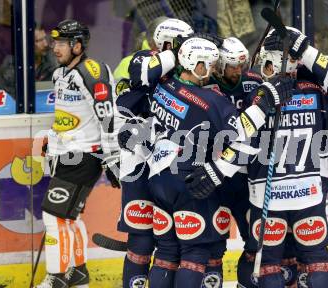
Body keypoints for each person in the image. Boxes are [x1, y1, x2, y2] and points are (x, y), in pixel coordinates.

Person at [132, 36, 293, 288]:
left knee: (165, 253)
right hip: (188, 181)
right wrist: (266, 99)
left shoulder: (163, 86)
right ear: (197, 64)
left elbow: (140, 75)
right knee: (195, 255)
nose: (214, 69)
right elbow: (240, 132)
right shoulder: (210, 102)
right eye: (210, 63)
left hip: (158, 179)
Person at [245, 26, 328, 288]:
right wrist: (304, 46)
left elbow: (237, 136)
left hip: (267, 194)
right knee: (316, 259)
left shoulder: (253, 96)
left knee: (269, 262)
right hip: (308, 192)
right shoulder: (313, 90)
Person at [35, 19, 121, 288]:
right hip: (66, 155)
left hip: (85, 156)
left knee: (54, 217)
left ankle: (57, 278)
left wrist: (112, 157)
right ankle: (78, 273)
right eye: (55, 42)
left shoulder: (92, 71)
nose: (55, 48)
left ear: (78, 45)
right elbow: (66, 116)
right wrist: (53, 138)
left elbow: (107, 117)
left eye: (61, 43)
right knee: (69, 217)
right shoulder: (60, 74)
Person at [116, 18, 194, 288]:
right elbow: (142, 78)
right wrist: (174, 53)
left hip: (170, 167)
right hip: (138, 165)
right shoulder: (141, 59)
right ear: (169, 43)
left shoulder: (187, 74)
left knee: (173, 242)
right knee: (141, 240)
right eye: (183, 43)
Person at [207, 36, 262, 288]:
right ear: (218, 65)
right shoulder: (204, 85)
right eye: (232, 66)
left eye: (241, 65)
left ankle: (245, 282)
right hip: (214, 173)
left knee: (255, 237)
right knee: (212, 241)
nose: (238, 71)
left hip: (244, 175)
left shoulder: (253, 82)